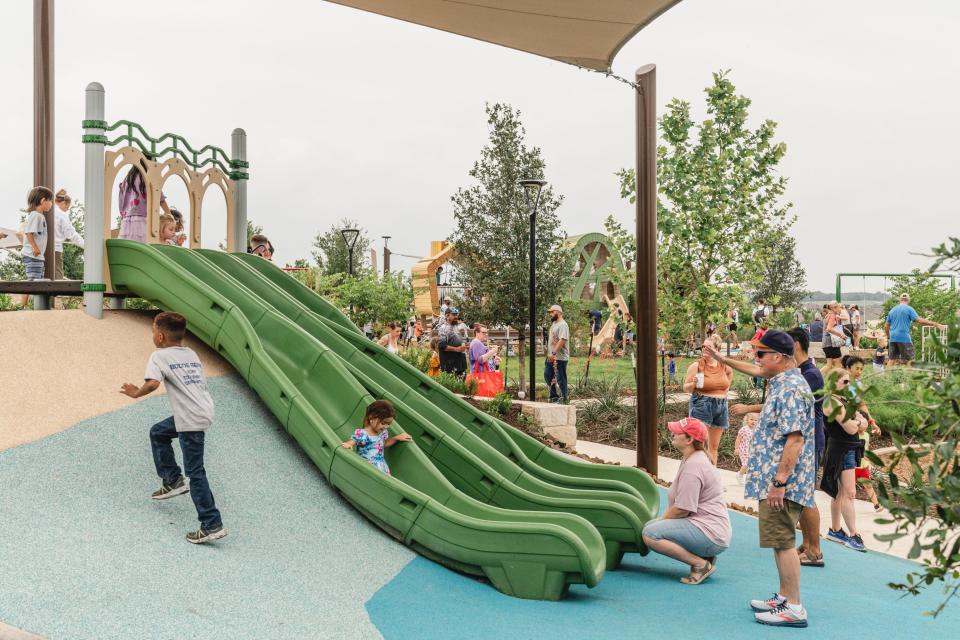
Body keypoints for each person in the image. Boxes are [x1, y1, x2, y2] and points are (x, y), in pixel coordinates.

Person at [712, 330, 815, 627]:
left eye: (760, 353)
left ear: (779, 358)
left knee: (783, 541)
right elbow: (755, 370)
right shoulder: (781, 381)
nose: (755, 359)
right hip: (775, 480)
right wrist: (721, 358)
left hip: (782, 483)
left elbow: (795, 439)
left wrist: (779, 482)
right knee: (777, 539)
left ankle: (793, 607)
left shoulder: (791, 388)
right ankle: (785, 596)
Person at [119, 311, 226, 544]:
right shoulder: (191, 353)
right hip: (202, 410)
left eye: (152, 331)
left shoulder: (159, 356)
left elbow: (153, 383)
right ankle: (172, 480)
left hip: (190, 418)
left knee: (196, 472)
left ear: (159, 336)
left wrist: (135, 392)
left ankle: (211, 524)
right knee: (158, 432)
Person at [641, 417, 731, 585]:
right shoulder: (693, 458)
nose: (672, 433)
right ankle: (704, 555)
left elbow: (682, 509)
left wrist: (661, 521)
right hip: (709, 529)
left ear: (689, 439)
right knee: (650, 527)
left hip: (710, 533)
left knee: (650, 534)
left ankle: (700, 564)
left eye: (677, 432)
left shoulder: (694, 466)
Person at [820, 370, 868, 552]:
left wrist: (859, 422)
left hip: (847, 448)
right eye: (845, 382)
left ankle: (835, 529)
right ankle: (853, 534)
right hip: (841, 448)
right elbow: (850, 427)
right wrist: (858, 422)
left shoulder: (842, 401)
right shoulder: (831, 402)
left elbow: (862, 421)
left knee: (840, 493)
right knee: (849, 493)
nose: (849, 385)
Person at [682, 334, 733, 465]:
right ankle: (693, 474)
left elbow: (729, 376)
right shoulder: (697, 365)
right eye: (703, 346)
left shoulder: (724, 366)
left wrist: (723, 392)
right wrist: (693, 384)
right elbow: (686, 388)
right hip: (702, 405)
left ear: (717, 349)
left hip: (721, 406)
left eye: (708, 347)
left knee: (714, 447)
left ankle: (711, 478)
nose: (704, 348)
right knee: (697, 445)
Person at [843, 355, 882, 511]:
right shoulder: (842, 383)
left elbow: (862, 405)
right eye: (856, 368)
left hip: (858, 424)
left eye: (861, 369)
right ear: (848, 368)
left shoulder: (857, 384)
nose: (859, 372)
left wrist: (871, 421)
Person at [340, 400, 412, 475]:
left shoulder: (382, 433)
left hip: (381, 465)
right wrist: (349, 445)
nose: (386, 426)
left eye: (389, 424)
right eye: (383, 423)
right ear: (371, 418)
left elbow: (384, 443)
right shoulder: (363, 433)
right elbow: (352, 441)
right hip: (367, 466)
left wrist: (396, 438)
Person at [885, 293, 946, 367]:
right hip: (904, 338)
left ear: (900, 300)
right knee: (910, 360)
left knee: (892, 359)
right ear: (908, 300)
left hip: (893, 338)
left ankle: (885, 377)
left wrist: (889, 336)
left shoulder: (892, 310)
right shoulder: (908, 309)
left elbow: (886, 326)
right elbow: (919, 320)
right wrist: (935, 324)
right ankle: (909, 378)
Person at [118, 163, 170, 242]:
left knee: (130, 246)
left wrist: (123, 214)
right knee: (145, 245)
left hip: (127, 221)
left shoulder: (128, 179)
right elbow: (159, 196)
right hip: (142, 219)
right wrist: (168, 213)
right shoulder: (147, 177)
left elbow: (121, 199)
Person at [20, 186, 54, 281]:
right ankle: (22, 296)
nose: (51, 204)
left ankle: (25, 296)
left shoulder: (39, 216)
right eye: (50, 201)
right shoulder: (36, 215)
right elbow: (28, 232)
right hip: (32, 255)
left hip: (36, 256)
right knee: (33, 282)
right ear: (43, 200)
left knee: (35, 281)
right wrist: (35, 248)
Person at [52, 189, 84, 280]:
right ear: (63, 203)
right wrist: (85, 245)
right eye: (67, 207)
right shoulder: (61, 214)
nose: (67, 210)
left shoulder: (48, 210)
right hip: (55, 249)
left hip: (41, 248)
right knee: (57, 277)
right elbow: (71, 234)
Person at [545, 304, 570, 403]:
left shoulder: (563, 325)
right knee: (548, 375)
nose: (550, 314)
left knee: (561, 379)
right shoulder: (554, 324)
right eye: (549, 312)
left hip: (559, 357)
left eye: (552, 312)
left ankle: (564, 399)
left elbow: (562, 340)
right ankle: (554, 396)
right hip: (551, 356)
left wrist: (553, 353)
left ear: (558, 312)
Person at [438, 308, 468, 377]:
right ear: (447, 316)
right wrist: (457, 349)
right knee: (453, 385)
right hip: (449, 363)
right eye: (454, 314)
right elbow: (442, 346)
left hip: (459, 361)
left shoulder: (456, 326)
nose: (456, 317)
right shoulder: (443, 328)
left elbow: (457, 341)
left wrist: (465, 345)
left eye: (456, 314)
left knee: (462, 381)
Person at [734, 412, 760, 485]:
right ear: (747, 420)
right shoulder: (744, 429)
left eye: (755, 420)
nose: (753, 421)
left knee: (752, 464)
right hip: (744, 449)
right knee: (746, 463)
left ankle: (749, 478)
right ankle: (740, 475)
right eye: (751, 419)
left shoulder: (756, 430)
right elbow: (738, 439)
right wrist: (736, 448)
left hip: (752, 450)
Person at [822, 301, 847, 371]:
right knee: (838, 364)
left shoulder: (828, 315)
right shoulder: (832, 316)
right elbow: (829, 329)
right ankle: (836, 380)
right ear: (834, 308)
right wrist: (841, 335)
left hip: (826, 344)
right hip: (832, 344)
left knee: (829, 365)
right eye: (839, 307)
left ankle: (816, 377)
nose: (840, 309)